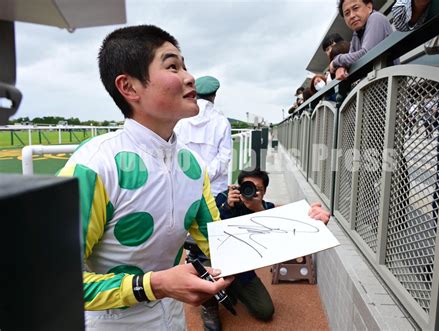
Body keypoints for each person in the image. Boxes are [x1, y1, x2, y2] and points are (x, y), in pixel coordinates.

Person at [57, 25, 235, 329]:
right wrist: (153, 286)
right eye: (172, 66)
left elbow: (224, 247)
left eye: (185, 65)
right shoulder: (95, 165)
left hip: (172, 320)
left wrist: (297, 226)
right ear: (129, 87)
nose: (189, 77)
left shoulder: (192, 166)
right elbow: (56, 282)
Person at [191, 167, 331, 331]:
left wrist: (259, 210)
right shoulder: (223, 198)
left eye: (258, 189)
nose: (252, 192)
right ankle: (209, 307)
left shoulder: (266, 208)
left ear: (264, 192)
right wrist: (227, 206)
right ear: (239, 187)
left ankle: (231, 289)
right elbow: (208, 229)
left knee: (265, 311)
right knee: (204, 272)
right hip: (215, 261)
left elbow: (287, 230)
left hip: (241, 268)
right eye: (248, 186)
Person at [174, 76, 232, 196]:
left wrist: (193, 177)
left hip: (186, 186)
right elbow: (224, 157)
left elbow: (175, 151)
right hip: (215, 189)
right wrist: (206, 177)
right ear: (214, 95)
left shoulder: (181, 120)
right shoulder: (221, 121)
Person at [329, 0, 395, 80]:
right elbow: (351, 59)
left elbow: (366, 54)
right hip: (375, 86)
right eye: (347, 13)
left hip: (393, 85)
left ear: (369, 7)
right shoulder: (356, 34)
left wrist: (336, 61)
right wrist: (342, 67)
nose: (352, 16)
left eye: (355, 8)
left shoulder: (376, 17)